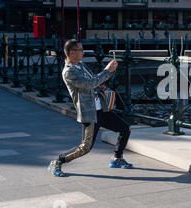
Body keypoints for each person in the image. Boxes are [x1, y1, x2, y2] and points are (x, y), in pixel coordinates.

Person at [48, 39, 132, 177]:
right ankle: (57, 161)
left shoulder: (80, 65)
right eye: (80, 50)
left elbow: (94, 80)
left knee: (125, 128)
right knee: (85, 148)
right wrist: (106, 70)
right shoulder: (69, 72)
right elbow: (89, 84)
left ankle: (117, 158)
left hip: (102, 109)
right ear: (71, 52)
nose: (83, 52)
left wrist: (111, 71)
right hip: (90, 113)